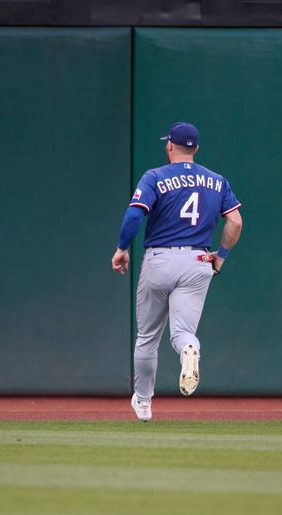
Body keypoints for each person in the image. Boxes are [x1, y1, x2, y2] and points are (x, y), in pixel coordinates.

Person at [111, 122, 243, 421]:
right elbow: (234, 222)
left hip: (160, 258)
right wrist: (220, 257)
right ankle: (188, 350)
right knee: (183, 333)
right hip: (198, 261)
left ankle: (143, 404)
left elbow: (135, 214)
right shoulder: (217, 180)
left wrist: (122, 247)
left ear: (170, 145)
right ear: (195, 148)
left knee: (147, 337)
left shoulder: (155, 177)